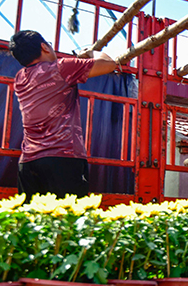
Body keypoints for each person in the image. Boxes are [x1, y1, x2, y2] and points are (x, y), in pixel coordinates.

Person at [8, 30, 116, 198]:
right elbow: (109, 63)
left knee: (33, 221)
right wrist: (90, 52)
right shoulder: (61, 67)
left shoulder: (20, 78)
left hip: (28, 161)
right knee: (69, 220)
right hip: (63, 158)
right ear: (44, 46)